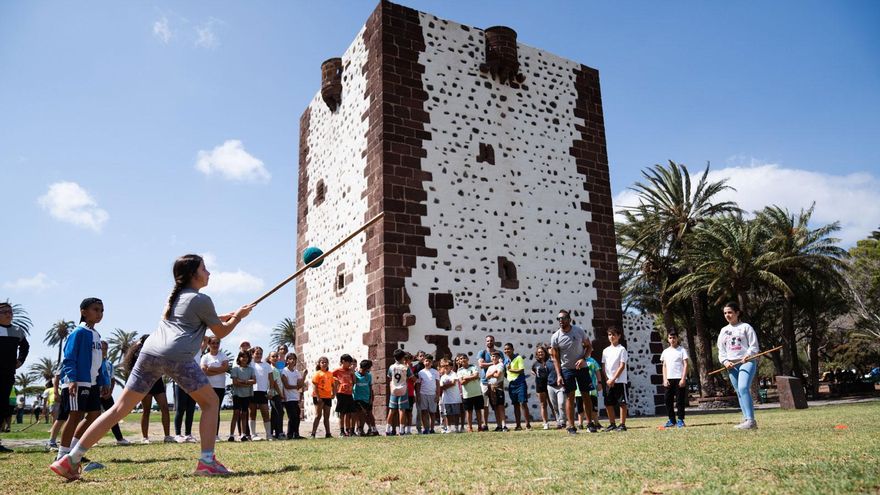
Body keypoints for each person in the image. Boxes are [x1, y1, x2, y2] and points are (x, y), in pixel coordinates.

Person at [50, 254, 254, 480]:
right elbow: (221, 331)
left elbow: (202, 318)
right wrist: (239, 317)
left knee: (119, 409)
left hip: (149, 352)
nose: (209, 273)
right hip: (177, 356)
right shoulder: (202, 300)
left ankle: (71, 459)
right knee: (211, 402)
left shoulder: (173, 297)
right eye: (204, 269)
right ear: (192, 275)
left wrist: (229, 315)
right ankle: (207, 462)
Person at [55, 298, 110, 466]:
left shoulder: (96, 335)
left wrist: (104, 381)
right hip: (77, 382)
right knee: (75, 416)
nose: (99, 313)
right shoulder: (77, 332)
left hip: (92, 383)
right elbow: (69, 358)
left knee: (94, 415)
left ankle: (72, 451)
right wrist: (72, 379)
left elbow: (99, 361)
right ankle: (61, 455)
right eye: (95, 309)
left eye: (101, 310)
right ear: (83, 312)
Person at [718, 301, 760, 430]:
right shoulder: (724, 330)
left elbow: (754, 346)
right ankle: (746, 418)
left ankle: (751, 421)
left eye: (730, 312)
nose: (727, 315)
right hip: (731, 365)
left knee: (743, 388)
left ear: (737, 313)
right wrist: (725, 362)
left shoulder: (746, 327)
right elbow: (721, 350)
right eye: (725, 313)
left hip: (746, 362)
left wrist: (748, 355)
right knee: (739, 392)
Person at [549, 309, 593, 435]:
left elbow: (589, 346)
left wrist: (583, 359)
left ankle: (590, 424)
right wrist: (558, 375)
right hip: (566, 369)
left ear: (569, 319)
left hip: (581, 368)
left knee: (586, 395)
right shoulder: (555, 337)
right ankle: (571, 426)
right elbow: (555, 358)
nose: (561, 321)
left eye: (563, 318)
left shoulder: (578, 331)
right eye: (559, 319)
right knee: (570, 397)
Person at [0, 301, 29, 453]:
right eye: (4, 312)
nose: (8, 314)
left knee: (3, 407)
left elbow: (25, 347)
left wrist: (20, 360)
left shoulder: (17, 331)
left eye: (10, 312)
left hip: (7, 375)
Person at [174, 337, 208, 443]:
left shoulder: (198, 349)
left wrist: (200, 330)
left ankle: (188, 434)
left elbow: (206, 340)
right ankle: (178, 434)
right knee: (180, 408)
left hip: (194, 382)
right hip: (180, 381)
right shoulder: (180, 348)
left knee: (190, 409)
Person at [98, 341, 129, 445]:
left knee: (113, 416)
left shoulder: (109, 364)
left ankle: (119, 439)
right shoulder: (92, 362)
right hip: (95, 393)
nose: (104, 350)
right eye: (102, 348)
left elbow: (112, 379)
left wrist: (110, 392)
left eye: (105, 349)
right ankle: (93, 440)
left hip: (107, 394)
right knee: (92, 417)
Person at [200, 336, 228, 440]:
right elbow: (204, 371)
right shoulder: (205, 357)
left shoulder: (223, 355)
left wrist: (211, 369)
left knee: (216, 411)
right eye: (213, 343)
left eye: (217, 343)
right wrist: (218, 369)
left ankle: (215, 434)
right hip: (208, 387)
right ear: (209, 344)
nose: (215, 345)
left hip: (220, 387)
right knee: (207, 411)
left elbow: (225, 368)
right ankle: (207, 434)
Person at [602, 327, 629, 432]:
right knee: (608, 403)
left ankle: (622, 424)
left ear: (618, 336)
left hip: (620, 381)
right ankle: (612, 424)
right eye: (609, 335)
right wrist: (608, 379)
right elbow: (604, 366)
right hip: (609, 382)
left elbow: (622, 366)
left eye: (613, 334)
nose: (611, 337)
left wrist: (614, 379)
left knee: (622, 403)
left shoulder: (622, 349)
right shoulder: (605, 351)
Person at [660, 332, 689, 428]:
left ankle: (680, 420)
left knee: (680, 401)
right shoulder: (665, 352)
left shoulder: (682, 350)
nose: (672, 339)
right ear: (668, 339)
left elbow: (685, 364)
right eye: (670, 338)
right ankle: (672, 420)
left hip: (679, 379)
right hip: (669, 379)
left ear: (677, 339)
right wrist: (664, 379)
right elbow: (664, 366)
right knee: (668, 400)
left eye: (674, 338)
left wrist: (683, 378)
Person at [503, 343, 530, 430]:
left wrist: (511, 370)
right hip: (512, 384)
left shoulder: (518, 358)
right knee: (515, 405)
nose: (507, 351)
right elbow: (505, 373)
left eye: (508, 349)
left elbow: (521, 370)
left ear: (513, 349)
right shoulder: (506, 361)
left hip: (520, 383)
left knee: (523, 403)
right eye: (505, 349)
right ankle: (518, 425)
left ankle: (528, 425)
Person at [229, 351, 255, 441]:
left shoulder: (251, 369)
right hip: (237, 395)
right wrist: (247, 382)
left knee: (244, 414)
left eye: (246, 357)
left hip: (247, 395)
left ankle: (243, 434)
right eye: (242, 357)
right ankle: (231, 435)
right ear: (239, 358)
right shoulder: (235, 369)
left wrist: (243, 381)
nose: (244, 359)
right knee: (236, 414)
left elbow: (254, 381)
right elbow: (235, 383)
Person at [248, 346, 272, 441]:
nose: (258, 355)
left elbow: (271, 379)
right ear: (253, 354)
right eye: (256, 353)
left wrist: (271, 390)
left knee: (265, 413)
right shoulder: (249, 364)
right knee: (252, 413)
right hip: (252, 391)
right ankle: (253, 434)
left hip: (263, 392)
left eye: (260, 353)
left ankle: (268, 434)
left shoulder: (267, 365)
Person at [385, 348, 411, 436]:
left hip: (394, 390)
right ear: (403, 357)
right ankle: (401, 430)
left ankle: (387, 429)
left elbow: (389, 377)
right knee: (402, 410)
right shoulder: (405, 367)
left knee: (391, 410)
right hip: (403, 389)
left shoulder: (391, 367)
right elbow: (411, 377)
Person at [455, 353, 484, 432]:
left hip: (477, 392)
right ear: (459, 361)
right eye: (461, 359)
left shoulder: (473, 366)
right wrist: (472, 377)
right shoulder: (459, 370)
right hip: (467, 394)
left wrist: (466, 377)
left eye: (464, 358)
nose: (462, 360)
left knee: (478, 411)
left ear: (467, 359)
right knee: (469, 412)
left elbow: (476, 376)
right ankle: (470, 427)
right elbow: (461, 382)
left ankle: (480, 427)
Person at [280, 353, 304, 439]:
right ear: (287, 360)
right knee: (292, 416)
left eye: (294, 359)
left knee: (297, 416)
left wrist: (304, 375)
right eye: (290, 359)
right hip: (288, 398)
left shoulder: (297, 372)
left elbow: (300, 384)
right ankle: (290, 434)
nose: (292, 360)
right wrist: (296, 387)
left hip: (295, 397)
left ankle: (296, 433)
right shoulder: (284, 371)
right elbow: (286, 385)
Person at [331, 354, 356, 437]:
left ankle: (350, 430)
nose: (350, 364)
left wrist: (353, 373)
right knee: (342, 413)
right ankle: (342, 431)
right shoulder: (338, 370)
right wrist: (336, 380)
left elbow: (355, 382)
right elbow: (330, 376)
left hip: (349, 393)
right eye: (349, 362)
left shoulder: (350, 371)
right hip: (341, 393)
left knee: (351, 412)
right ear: (343, 361)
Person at [310, 356, 334, 438]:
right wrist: (318, 396)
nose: (324, 364)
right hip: (319, 396)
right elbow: (314, 386)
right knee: (318, 415)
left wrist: (333, 394)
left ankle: (328, 433)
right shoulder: (317, 373)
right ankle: (313, 433)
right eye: (322, 362)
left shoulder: (330, 374)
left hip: (327, 397)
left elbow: (333, 385)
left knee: (327, 416)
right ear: (319, 364)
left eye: (326, 362)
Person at [353, 359, 378, 436]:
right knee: (361, 414)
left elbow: (370, 387)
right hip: (357, 398)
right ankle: (360, 429)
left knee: (369, 414)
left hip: (367, 398)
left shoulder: (369, 375)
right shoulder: (355, 375)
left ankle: (373, 429)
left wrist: (371, 398)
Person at [416, 354, 440, 434]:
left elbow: (437, 384)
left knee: (432, 413)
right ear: (423, 362)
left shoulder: (435, 372)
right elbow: (418, 385)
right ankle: (425, 428)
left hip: (432, 394)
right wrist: (418, 395)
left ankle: (432, 428)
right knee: (424, 411)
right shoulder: (421, 373)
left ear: (432, 363)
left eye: (429, 361)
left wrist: (437, 395)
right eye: (426, 361)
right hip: (423, 394)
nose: (427, 363)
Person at [476, 335, 496, 431]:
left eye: (491, 340)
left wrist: (486, 364)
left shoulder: (498, 352)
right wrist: (493, 363)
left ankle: (499, 424)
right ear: (485, 342)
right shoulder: (482, 352)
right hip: (484, 381)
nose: (489, 342)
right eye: (488, 341)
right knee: (485, 404)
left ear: (494, 342)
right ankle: (485, 424)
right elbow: (481, 365)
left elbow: (501, 365)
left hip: (494, 380)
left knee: (496, 402)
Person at [583, 340, 603, 433]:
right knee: (585, 406)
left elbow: (597, 371)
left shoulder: (592, 360)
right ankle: (588, 423)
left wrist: (599, 382)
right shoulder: (579, 360)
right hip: (583, 388)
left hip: (593, 387)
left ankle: (596, 422)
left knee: (594, 406)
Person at [438, 358, 462, 433]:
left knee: (456, 414)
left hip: (455, 398)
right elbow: (441, 387)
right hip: (446, 399)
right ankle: (449, 428)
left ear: (451, 367)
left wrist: (445, 386)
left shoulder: (454, 374)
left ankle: (456, 428)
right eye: (444, 366)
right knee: (447, 414)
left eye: (447, 365)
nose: (446, 367)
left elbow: (453, 383)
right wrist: (445, 386)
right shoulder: (442, 377)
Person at [266, 350, 285, 440]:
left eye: (276, 356)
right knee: (279, 412)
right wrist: (281, 394)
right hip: (274, 393)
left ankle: (272, 432)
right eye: (273, 356)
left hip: (278, 393)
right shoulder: (271, 369)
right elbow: (274, 383)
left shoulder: (276, 368)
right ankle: (279, 432)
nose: (275, 358)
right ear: (269, 358)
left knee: (275, 413)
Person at [532, 345, 552, 429]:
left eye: (542, 352)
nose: (540, 353)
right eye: (539, 352)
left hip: (550, 384)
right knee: (543, 404)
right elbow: (533, 370)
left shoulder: (549, 362)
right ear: (537, 353)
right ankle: (545, 423)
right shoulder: (535, 363)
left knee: (552, 404)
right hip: (540, 386)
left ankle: (559, 421)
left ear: (545, 353)